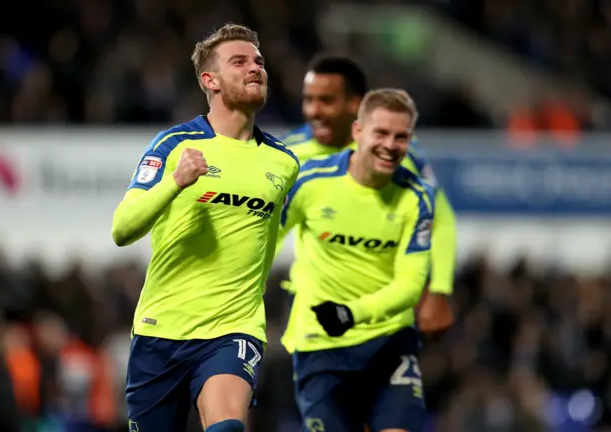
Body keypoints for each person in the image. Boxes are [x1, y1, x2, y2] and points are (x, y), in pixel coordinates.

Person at [111, 24, 299, 432]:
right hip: (161, 330)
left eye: (259, 62)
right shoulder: (173, 145)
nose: (256, 68)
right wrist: (174, 182)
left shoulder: (284, 163)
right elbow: (123, 229)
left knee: (227, 427)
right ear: (209, 80)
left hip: (234, 328)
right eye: (240, 61)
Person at [280, 89, 434, 432]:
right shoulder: (310, 182)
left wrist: (352, 314)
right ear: (358, 132)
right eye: (381, 133)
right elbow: (261, 241)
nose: (390, 145)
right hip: (320, 348)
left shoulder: (417, 198)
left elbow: (409, 286)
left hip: (388, 344)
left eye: (401, 137)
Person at [281, 55, 456, 340]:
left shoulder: (395, 150)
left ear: (356, 104)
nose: (313, 111)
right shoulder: (289, 153)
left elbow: (441, 220)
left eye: (326, 100)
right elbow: (267, 228)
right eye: (308, 100)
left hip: (387, 313)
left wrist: (440, 289)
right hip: (318, 313)